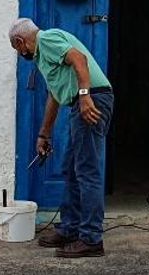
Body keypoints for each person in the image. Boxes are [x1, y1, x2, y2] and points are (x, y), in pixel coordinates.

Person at [9, 17, 114, 258]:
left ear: (19, 41)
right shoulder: (43, 57)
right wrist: (44, 134)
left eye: (17, 49)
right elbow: (54, 96)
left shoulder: (47, 39)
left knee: (87, 171)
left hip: (92, 99)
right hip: (81, 100)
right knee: (71, 169)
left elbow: (79, 59)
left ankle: (91, 239)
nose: (20, 53)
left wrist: (85, 96)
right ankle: (70, 229)